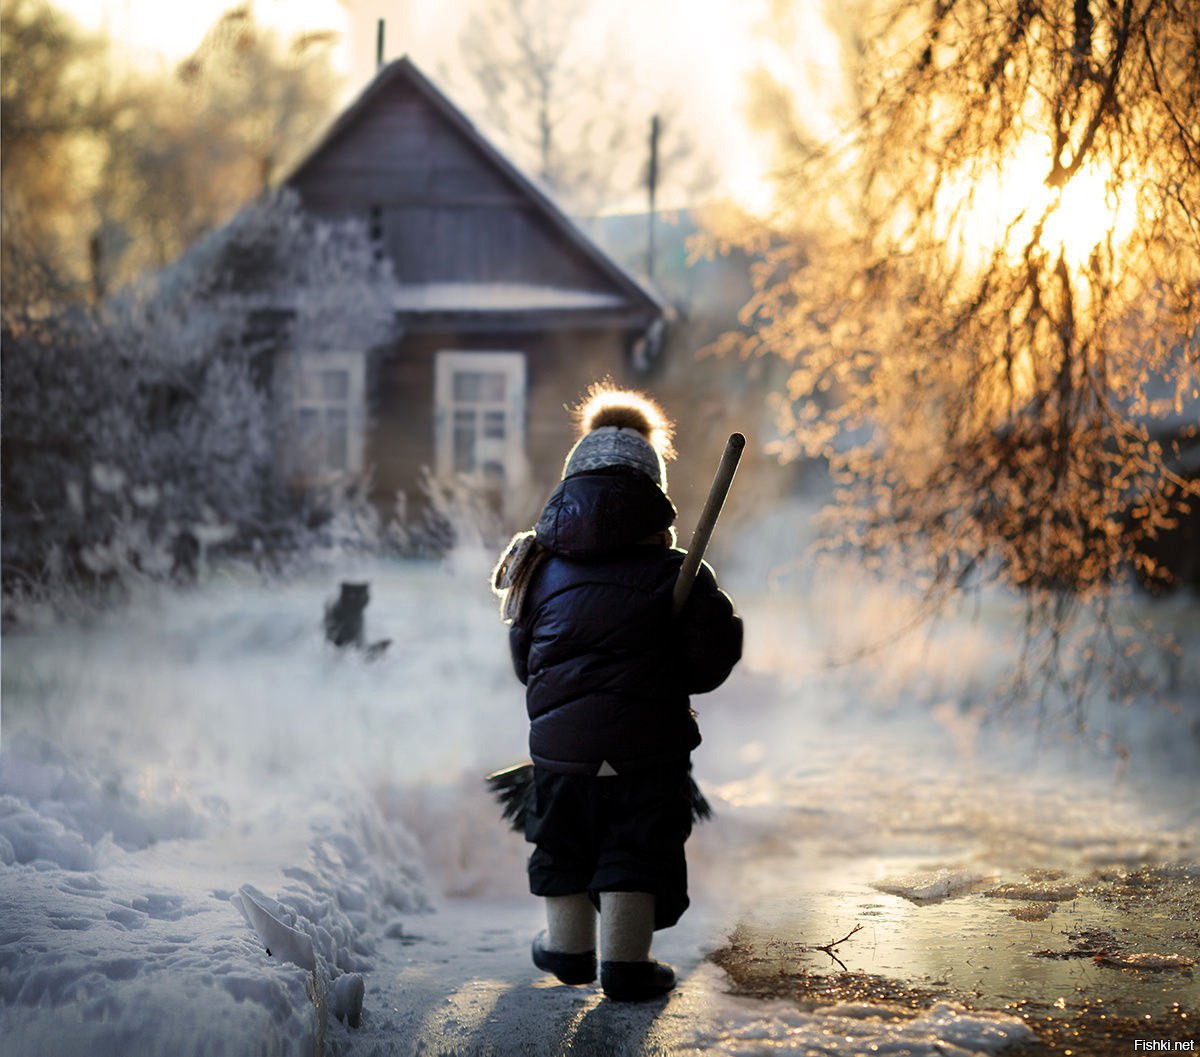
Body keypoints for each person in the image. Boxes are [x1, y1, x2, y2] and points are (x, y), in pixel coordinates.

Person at [491, 386, 743, 1001]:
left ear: (570, 486)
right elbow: (707, 666)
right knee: (637, 841)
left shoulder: (537, 568)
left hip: (560, 749)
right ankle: (626, 964)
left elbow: (526, 664)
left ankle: (567, 949)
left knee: (563, 839)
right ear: (653, 494)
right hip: (646, 749)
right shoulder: (677, 574)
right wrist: (694, 632)